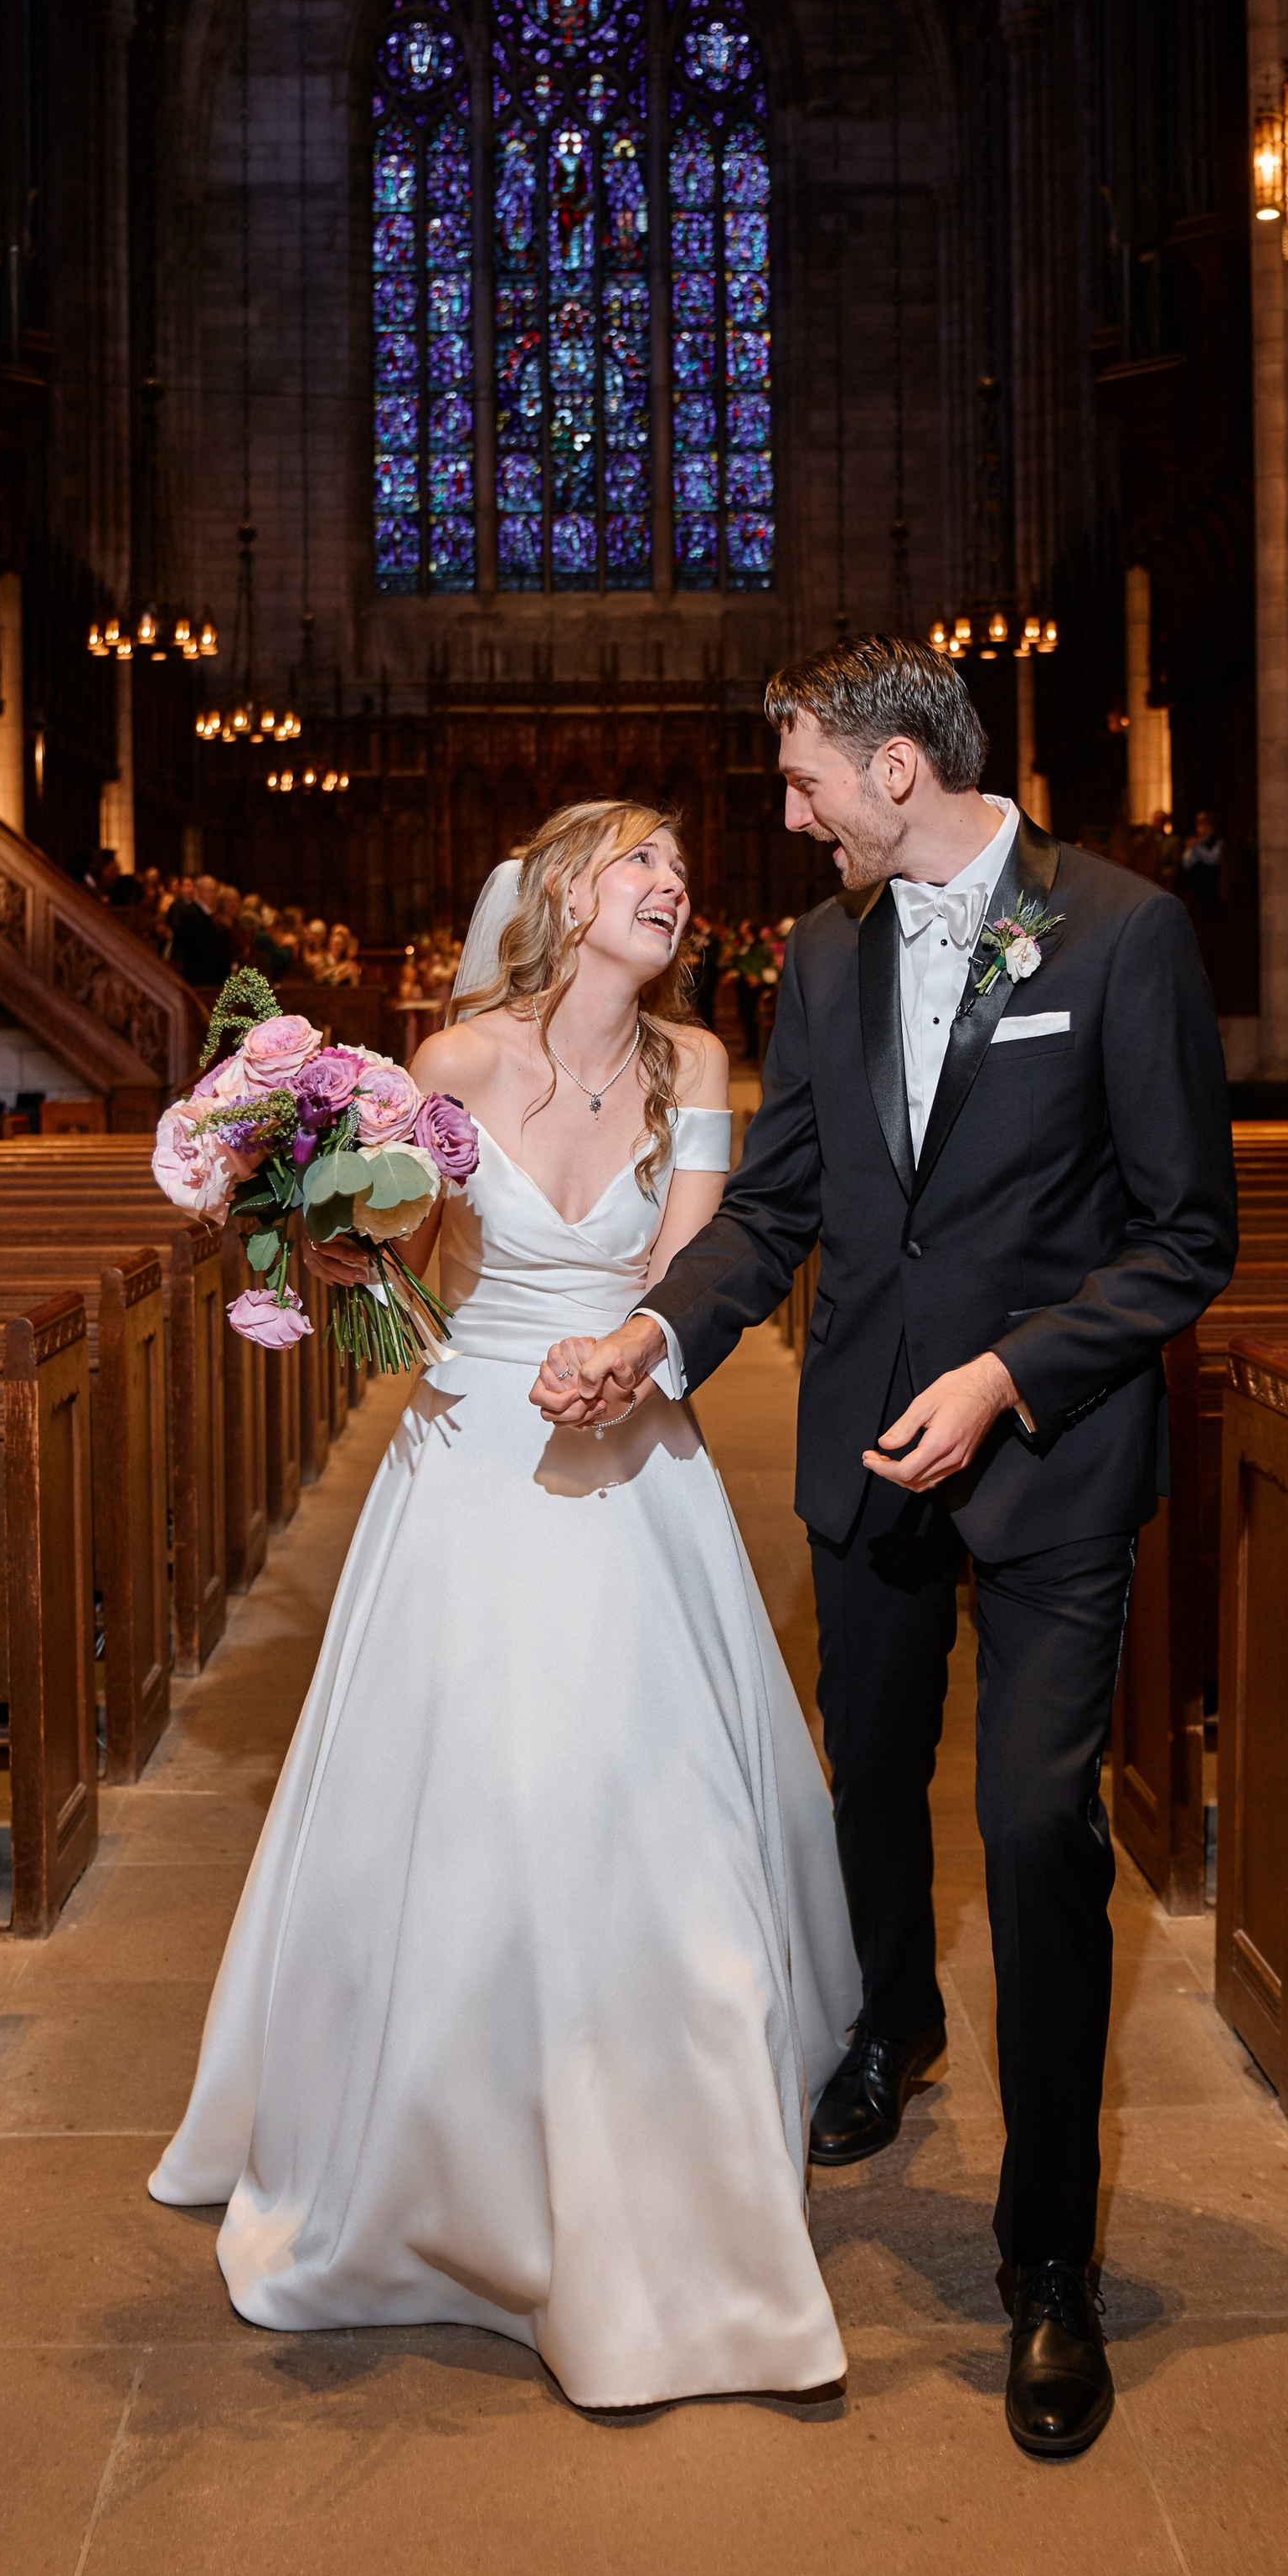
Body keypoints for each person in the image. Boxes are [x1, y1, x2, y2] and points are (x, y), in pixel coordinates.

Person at [537, 636, 1236, 2460]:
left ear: (899, 773)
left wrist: (1011, 1375)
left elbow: (1182, 1238)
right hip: (861, 1448)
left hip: (1049, 1463)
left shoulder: (1117, 936)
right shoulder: (826, 952)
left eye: (801, 783)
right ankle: (891, 2023)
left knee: (1028, 1829)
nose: (784, 817)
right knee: (863, 1777)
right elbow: (772, 1208)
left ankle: (1047, 2266)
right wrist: (653, 1339)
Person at [150, 801, 858, 2410]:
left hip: (628, 1446)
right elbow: (370, 1244)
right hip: (469, 1454)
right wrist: (318, 1233)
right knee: (469, 1810)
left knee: (649, 1806)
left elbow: (688, 1274)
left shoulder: (694, 1071)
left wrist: (622, 1362)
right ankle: (433, 2153)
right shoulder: (452, 1062)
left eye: (685, 868)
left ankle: (675, 2162)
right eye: (640, 866)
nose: (673, 887)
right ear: (561, 895)